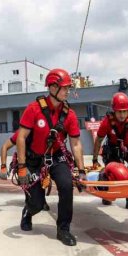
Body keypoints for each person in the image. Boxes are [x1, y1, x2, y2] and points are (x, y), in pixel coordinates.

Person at [14, 68, 86, 246]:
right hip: (34, 160)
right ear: (52, 88)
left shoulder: (69, 114)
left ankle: (63, 229)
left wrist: (82, 170)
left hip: (57, 157)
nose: (67, 91)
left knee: (66, 185)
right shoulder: (33, 109)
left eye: (68, 88)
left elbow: (76, 143)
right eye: (64, 88)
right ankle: (28, 212)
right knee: (37, 204)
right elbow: (21, 138)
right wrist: (22, 167)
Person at [92, 92, 128, 211]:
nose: (122, 115)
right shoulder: (107, 121)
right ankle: (108, 194)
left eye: (124, 111)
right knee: (112, 172)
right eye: (119, 111)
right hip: (112, 148)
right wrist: (95, 159)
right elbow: (98, 140)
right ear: (114, 110)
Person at [0, 133, 49, 211]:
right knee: (26, 179)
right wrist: (3, 166)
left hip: (40, 162)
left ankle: (41, 199)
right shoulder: (21, 133)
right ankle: (29, 198)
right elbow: (4, 147)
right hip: (25, 164)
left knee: (43, 181)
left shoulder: (42, 130)